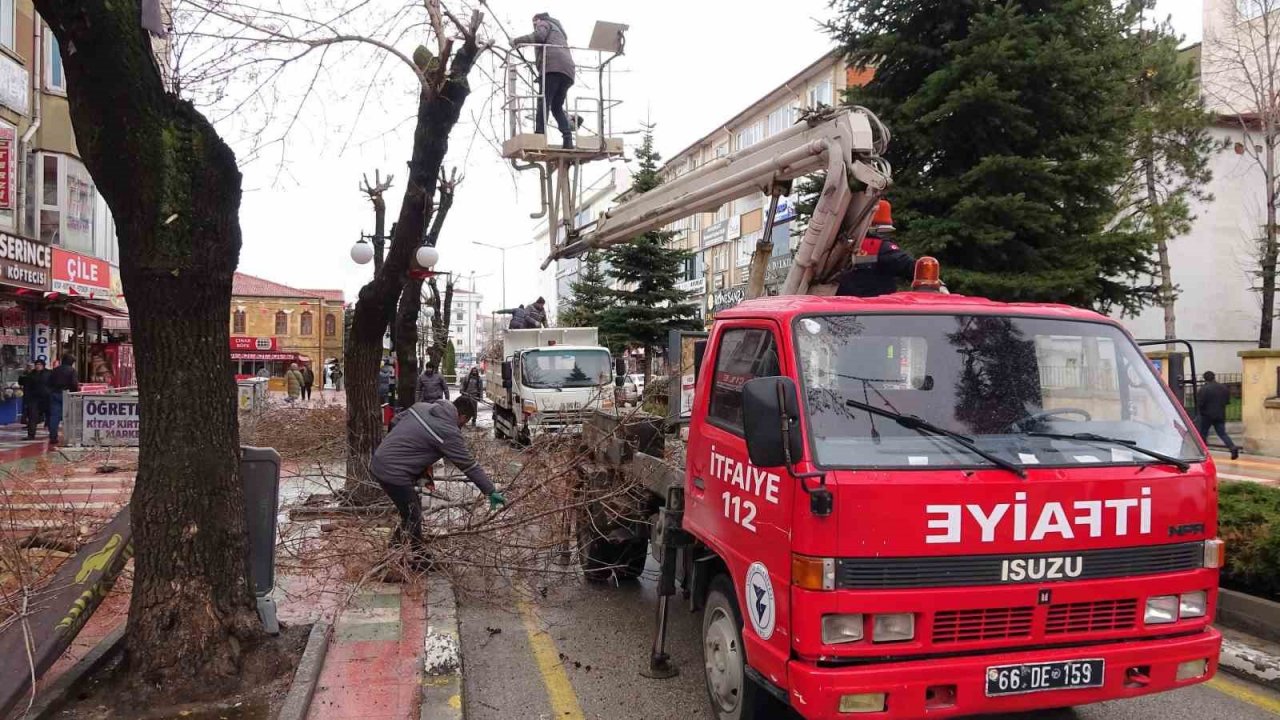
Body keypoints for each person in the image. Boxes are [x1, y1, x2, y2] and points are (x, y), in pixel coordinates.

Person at [370, 396, 506, 567]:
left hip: (380, 460)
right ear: (463, 417)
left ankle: (401, 550)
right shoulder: (448, 432)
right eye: (466, 422)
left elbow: (396, 421)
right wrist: (490, 490)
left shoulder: (421, 406)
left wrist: (402, 448)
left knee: (411, 511)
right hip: (394, 473)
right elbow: (469, 466)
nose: (462, 426)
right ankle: (413, 558)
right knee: (413, 514)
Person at [513, 13, 576, 150]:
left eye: (534, 23)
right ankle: (568, 139)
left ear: (538, 20)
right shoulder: (558, 32)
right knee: (556, 106)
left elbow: (539, 36)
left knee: (543, 103)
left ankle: (539, 137)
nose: (535, 26)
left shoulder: (544, 23)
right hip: (567, 72)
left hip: (553, 69)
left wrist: (517, 41)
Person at [835, 200, 915, 298]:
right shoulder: (881, 248)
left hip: (839, 306)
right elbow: (909, 266)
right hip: (875, 308)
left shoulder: (839, 245)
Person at [1196, 371, 1240, 460]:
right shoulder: (1223, 388)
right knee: (1222, 433)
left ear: (1205, 379)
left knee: (1203, 434)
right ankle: (1232, 447)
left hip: (1206, 415)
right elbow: (1227, 401)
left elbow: (1200, 403)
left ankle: (1204, 452)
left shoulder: (1204, 389)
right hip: (1220, 414)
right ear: (1214, 377)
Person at [48, 355, 79, 445]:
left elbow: (49, 382)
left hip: (55, 394)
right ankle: (68, 436)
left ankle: (53, 437)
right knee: (69, 416)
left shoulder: (55, 370)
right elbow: (74, 383)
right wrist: (75, 392)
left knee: (54, 416)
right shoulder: (72, 371)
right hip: (67, 394)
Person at [21, 361, 49, 441]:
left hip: (46, 398)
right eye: (36, 365)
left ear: (43, 366)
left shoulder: (48, 373)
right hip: (34, 398)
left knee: (49, 416)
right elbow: (26, 386)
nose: (37, 366)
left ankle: (53, 435)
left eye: (39, 365)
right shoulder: (31, 375)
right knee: (32, 417)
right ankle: (31, 435)